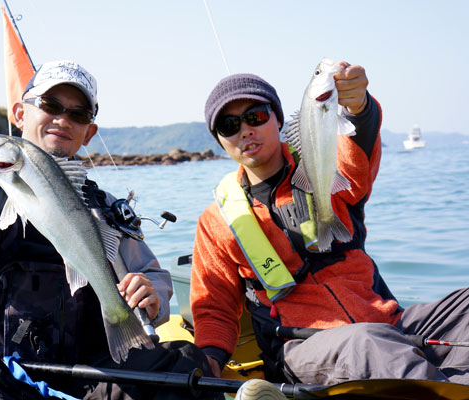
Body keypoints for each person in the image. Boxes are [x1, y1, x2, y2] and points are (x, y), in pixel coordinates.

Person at [0, 60, 221, 400]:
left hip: (86, 374)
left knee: (182, 365)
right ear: (20, 114)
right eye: (50, 106)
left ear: (89, 132)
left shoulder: (105, 208)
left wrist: (151, 297)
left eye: (78, 114)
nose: (63, 120)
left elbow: (154, 278)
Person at [190, 62, 469, 386]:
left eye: (256, 116)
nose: (245, 130)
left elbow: (358, 147)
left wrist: (358, 105)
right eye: (228, 125)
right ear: (220, 141)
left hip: (390, 323)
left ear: (279, 119)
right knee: (367, 345)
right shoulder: (218, 220)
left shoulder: (327, 166)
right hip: (302, 348)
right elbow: (213, 308)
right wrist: (207, 362)